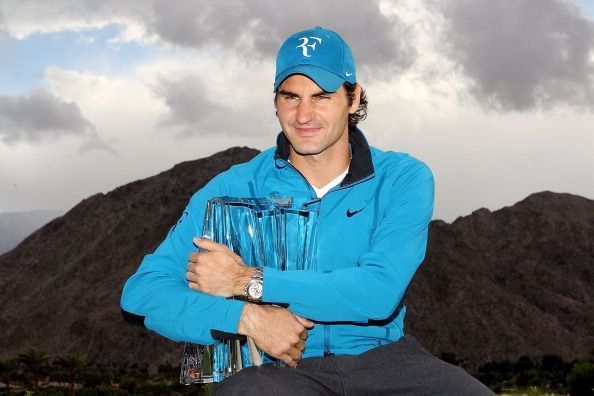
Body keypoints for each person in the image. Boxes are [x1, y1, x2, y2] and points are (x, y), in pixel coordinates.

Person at [121, 26, 493, 395]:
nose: (304, 114)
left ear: (353, 97)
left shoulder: (402, 178)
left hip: (385, 360)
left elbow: (378, 293)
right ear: (275, 100)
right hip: (277, 368)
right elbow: (142, 293)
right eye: (291, 97)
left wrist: (248, 280)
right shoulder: (233, 188)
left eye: (322, 96)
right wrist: (247, 318)